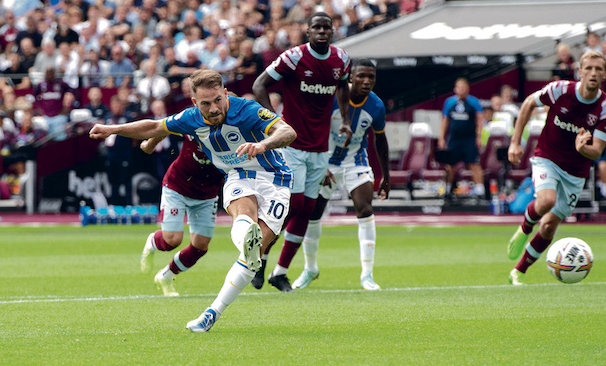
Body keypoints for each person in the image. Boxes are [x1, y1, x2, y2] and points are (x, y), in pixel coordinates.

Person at [89, 69, 296, 332]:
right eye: (205, 104)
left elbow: (287, 131)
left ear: (224, 93)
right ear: (195, 102)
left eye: (217, 100)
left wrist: (264, 145)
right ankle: (211, 313)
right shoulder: (191, 119)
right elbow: (154, 127)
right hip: (238, 175)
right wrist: (112, 129)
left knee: (250, 255)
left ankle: (214, 311)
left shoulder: (246, 110)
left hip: (276, 179)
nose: (213, 109)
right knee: (243, 218)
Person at [252, 11, 352, 292]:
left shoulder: (341, 59)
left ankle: (279, 272)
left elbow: (343, 85)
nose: (321, 32)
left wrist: (345, 119)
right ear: (307, 32)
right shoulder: (293, 57)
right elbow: (259, 84)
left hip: (320, 148)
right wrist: (273, 123)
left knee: (307, 211)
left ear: (332, 31)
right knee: (293, 206)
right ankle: (261, 257)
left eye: (326, 28)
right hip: (291, 146)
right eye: (316, 27)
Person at [506, 51, 606, 285]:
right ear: (580, 72)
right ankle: (524, 229)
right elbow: (527, 104)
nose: (593, 73)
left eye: (598, 69)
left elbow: (596, 151)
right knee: (546, 200)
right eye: (589, 68)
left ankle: (518, 271)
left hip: (576, 172)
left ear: (605, 74)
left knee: (547, 226)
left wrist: (582, 149)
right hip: (547, 156)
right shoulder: (560, 90)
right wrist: (515, 142)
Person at [290, 59, 390, 291]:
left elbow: (380, 140)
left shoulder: (376, 105)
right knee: (313, 213)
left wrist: (386, 175)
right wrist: (318, 164)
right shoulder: (331, 99)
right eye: (361, 76)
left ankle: (367, 274)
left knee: (365, 208)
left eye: (371, 77)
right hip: (325, 162)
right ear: (351, 77)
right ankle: (310, 268)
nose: (367, 81)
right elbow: (312, 130)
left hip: (356, 162)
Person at [138, 127, 224, 297]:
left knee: (200, 246)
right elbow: (164, 127)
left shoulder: (238, 131)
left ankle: (166, 276)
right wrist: (150, 144)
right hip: (177, 187)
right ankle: (153, 242)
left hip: (207, 195)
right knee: (172, 240)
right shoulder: (194, 121)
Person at [438, 77, 485, 199]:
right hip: (454, 139)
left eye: (464, 88)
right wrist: (442, 138)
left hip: (469, 139)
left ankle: (480, 191)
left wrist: (479, 136)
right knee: (450, 165)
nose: (462, 90)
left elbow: (480, 120)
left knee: (474, 164)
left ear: (468, 89)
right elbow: (445, 121)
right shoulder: (449, 102)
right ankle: (447, 189)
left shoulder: (474, 102)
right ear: (455, 89)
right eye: (460, 87)